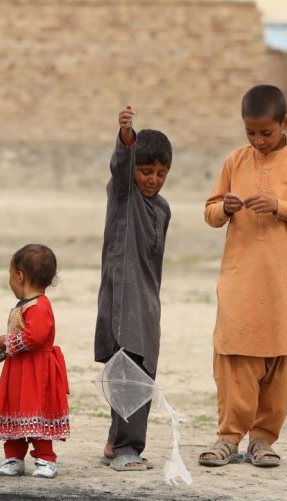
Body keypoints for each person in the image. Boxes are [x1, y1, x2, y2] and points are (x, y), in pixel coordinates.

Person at [200, 84, 287, 468]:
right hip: (239, 278)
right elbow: (209, 211)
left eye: (266, 133)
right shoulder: (234, 161)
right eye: (250, 133)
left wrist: (280, 207)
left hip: (283, 280)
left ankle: (263, 439)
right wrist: (223, 208)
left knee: (279, 360)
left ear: (285, 123)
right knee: (234, 356)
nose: (257, 140)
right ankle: (228, 437)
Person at [94, 105, 173, 471]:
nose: (152, 179)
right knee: (130, 370)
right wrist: (127, 137)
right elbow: (120, 167)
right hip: (122, 298)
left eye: (160, 173)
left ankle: (114, 441)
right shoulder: (123, 196)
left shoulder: (163, 209)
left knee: (139, 369)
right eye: (145, 170)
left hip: (147, 301)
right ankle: (128, 449)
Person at [0, 244, 69, 479]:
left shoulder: (39, 306)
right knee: (16, 409)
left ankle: (45, 459)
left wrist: (6, 343)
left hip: (37, 372)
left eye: (10, 275)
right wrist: (0, 349)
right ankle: (13, 457)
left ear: (20, 276)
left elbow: (35, 337)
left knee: (37, 410)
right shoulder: (27, 305)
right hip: (19, 370)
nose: (10, 281)